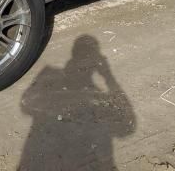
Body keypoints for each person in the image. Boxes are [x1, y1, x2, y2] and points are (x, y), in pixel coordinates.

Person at [18, 35, 136, 170]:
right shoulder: (52, 75)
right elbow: (127, 129)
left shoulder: (52, 76)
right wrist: (108, 76)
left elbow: (126, 129)